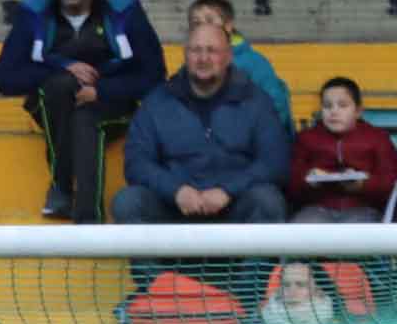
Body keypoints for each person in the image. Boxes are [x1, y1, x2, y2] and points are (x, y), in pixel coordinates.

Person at [0, 0, 166, 224]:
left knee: (88, 115)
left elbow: (154, 75)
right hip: (54, 109)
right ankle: (87, 219)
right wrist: (64, 68)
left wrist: (101, 90)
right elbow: (4, 78)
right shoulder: (34, 14)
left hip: (113, 105)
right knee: (64, 90)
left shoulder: (124, 12)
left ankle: (63, 191)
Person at [111, 23, 289, 227]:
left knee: (267, 200)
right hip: (173, 210)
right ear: (185, 55)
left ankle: (252, 261)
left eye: (212, 50)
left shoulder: (256, 101)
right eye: (196, 50)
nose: (203, 58)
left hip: (234, 208)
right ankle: (152, 260)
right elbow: (137, 163)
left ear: (228, 56)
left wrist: (227, 190)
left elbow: (275, 162)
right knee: (128, 201)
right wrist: (176, 191)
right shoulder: (156, 103)